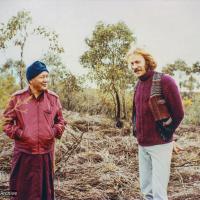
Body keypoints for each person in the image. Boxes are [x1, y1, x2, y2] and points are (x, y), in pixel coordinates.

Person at [126, 48, 184, 200]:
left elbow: (179, 114)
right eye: (131, 63)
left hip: (160, 145)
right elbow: (136, 114)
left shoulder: (165, 81)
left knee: (159, 193)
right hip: (142, 145)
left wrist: (167, 135)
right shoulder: (138, 85)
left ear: (147, 61)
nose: (134, 66)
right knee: (146, 190)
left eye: (137, 62)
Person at [3, 61, 65, 200]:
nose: (46, 80)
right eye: (42, 77)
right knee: (20, 191)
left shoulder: (53, 98)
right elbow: (6, 123)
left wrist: (52, 132)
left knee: (45, 193)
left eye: (47, 76)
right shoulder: (17, 98)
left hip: (46, 155)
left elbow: (61, 121)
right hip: (24, 154)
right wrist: (21, 133)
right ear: (31, 79)